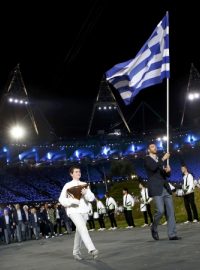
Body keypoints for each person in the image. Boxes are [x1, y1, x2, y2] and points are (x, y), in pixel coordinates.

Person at [59, 166, 99, 260]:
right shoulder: (67, 185)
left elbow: (91, 198)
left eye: (79, 171)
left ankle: (75, 252)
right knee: (82, 228)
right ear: (71, 174)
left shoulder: (84, 184)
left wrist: (86, 193)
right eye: (76, 172)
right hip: (73, 211)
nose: (78, 173)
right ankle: (92, 249)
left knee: (79, 232)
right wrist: (71, 202)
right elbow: (61, 199)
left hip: (84, 211)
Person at [144, 143, 181, 240]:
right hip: (156, 188)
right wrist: (163, 159)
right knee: (160, 211)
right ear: (148, 150)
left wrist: (168, 171)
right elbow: (153, 168)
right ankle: (154, 227)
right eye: (152, 146)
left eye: (155, 146)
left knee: (170, 212)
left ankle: (172, 234)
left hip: (165, 187)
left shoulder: (159, 159)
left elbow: (165, 175)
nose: (154, 147)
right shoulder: (147, 159)